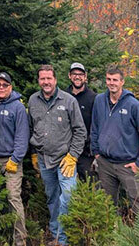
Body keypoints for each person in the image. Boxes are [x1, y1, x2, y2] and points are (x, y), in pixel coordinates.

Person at [28, 64, 86, 246]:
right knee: (52, 197)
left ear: (55, 80)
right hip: (44, 160)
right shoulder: (33, 101)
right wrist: (33, 154)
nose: (46, 82)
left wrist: (73, 156)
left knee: (68, 195)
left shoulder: (68, 101)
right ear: (39, 80)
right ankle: (55, 235)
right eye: (42, 78)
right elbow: (30, 128)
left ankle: (64, 239)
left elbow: (80, 131)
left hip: (65, 160)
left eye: (49, 78)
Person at [91, 64, 139, 214]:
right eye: (108, 79)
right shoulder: (99, 100)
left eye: (115, 80)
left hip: (128, 165)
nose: (111, 83)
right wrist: (96, 152)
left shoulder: (133, 105)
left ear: (122, 82)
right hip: (105, 163)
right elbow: (94, 127)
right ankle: (112, 236)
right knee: (107, 206)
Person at [0, 71, 29, 246]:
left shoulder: (18, 107)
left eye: (4, 85)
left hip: (11, 161)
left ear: (10, 87)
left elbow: (22, 137)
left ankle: (19, 240)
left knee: (13, 198)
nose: (1, 88)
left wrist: (15, 159)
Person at [65, 62, 97, 180]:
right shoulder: (63, 96)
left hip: (86, 154)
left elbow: (97, 125)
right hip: (65, 151)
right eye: (74, 74)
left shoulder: (93, 98)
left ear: (85, 77)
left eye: (80, 74)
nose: (77, 77)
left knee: (90, 186)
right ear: (69, 75)